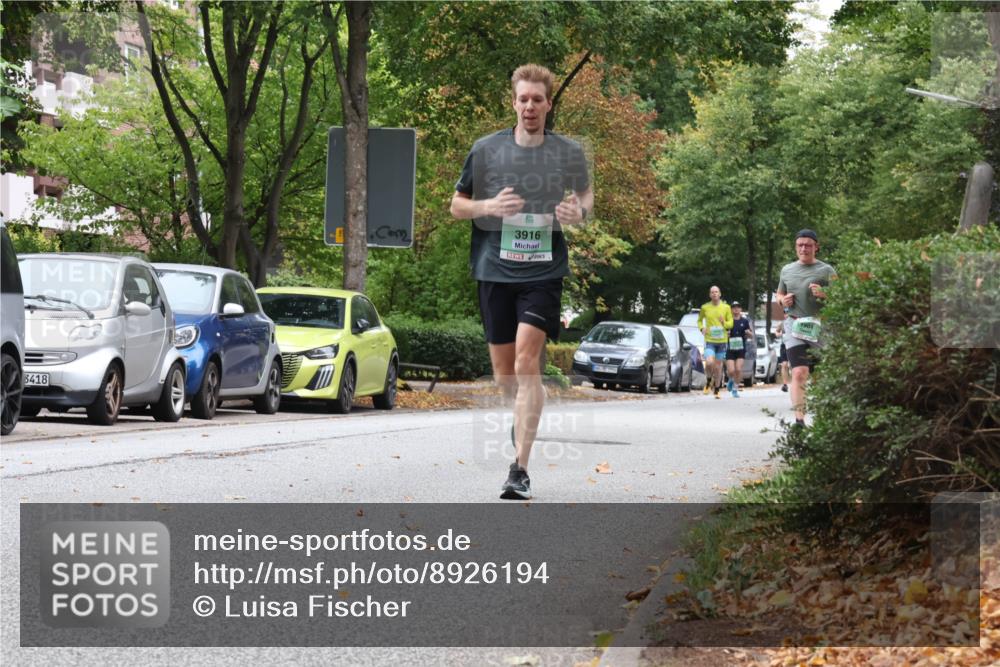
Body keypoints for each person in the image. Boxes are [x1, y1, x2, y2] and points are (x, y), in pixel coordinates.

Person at [450, 64, 593, 500]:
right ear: (513, 102)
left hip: (543, 272)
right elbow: (457, 205)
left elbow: (585, 196)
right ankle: (522, 409)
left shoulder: (567, 152)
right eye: (523, 99)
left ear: (549, 104)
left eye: (537, 99)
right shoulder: (486, 150)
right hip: (495, 270)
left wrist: (579, 212)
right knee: (505, 374)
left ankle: (520, 469)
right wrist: (489, 205)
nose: (529, 106)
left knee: (526, 364)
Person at [775, 229, 837, 426]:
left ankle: (826, 416)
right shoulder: (787, 270)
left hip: (821, 326)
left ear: (816, 247)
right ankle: (799, 421)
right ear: (796, 247)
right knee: (800, 372)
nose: (804, 248)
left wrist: (826, 294)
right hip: (794, 324)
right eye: (800, 245)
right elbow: (779, 294)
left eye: (808, 245)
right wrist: (782, 301)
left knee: (823, 375)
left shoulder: (827, 270)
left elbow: (845, 294)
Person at [697, 286, 733, 399]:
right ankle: (708, 381)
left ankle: (716, 389)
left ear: (720, 294)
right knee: (708, 363)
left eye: (716, 292)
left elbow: (731, 323)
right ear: (709, 295)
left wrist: (724, 323)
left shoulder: (726, 307)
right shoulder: (705, 307)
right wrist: (702, 328)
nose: (714, 294)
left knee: (718, 368)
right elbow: (699, 320)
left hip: (722, 342)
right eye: (712, 292)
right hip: (710, 341)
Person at [725, 301, 753, 398]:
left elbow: (751, 335)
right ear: (731, 309)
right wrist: (726, 335)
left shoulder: (744, 321)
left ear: (741, 309)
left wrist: (749, 333)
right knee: (731, 371)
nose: (736, 309)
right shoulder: (728, 321)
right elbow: (723, 334)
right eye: (734, 307)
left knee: (738, 369)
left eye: (738, 307)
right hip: (730, 349)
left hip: (741, 348)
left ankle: (735, 389)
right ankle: (731, 380)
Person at [775, 321, 790, 392]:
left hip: (793, 345)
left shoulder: (796, 321)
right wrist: (779, 334)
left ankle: (796, 383)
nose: (786, 314)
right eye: (785, 313)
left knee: (793, 366)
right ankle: (785, 384)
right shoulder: (782, 323)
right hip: (784, 346)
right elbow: (776, 333)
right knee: (784, 364)